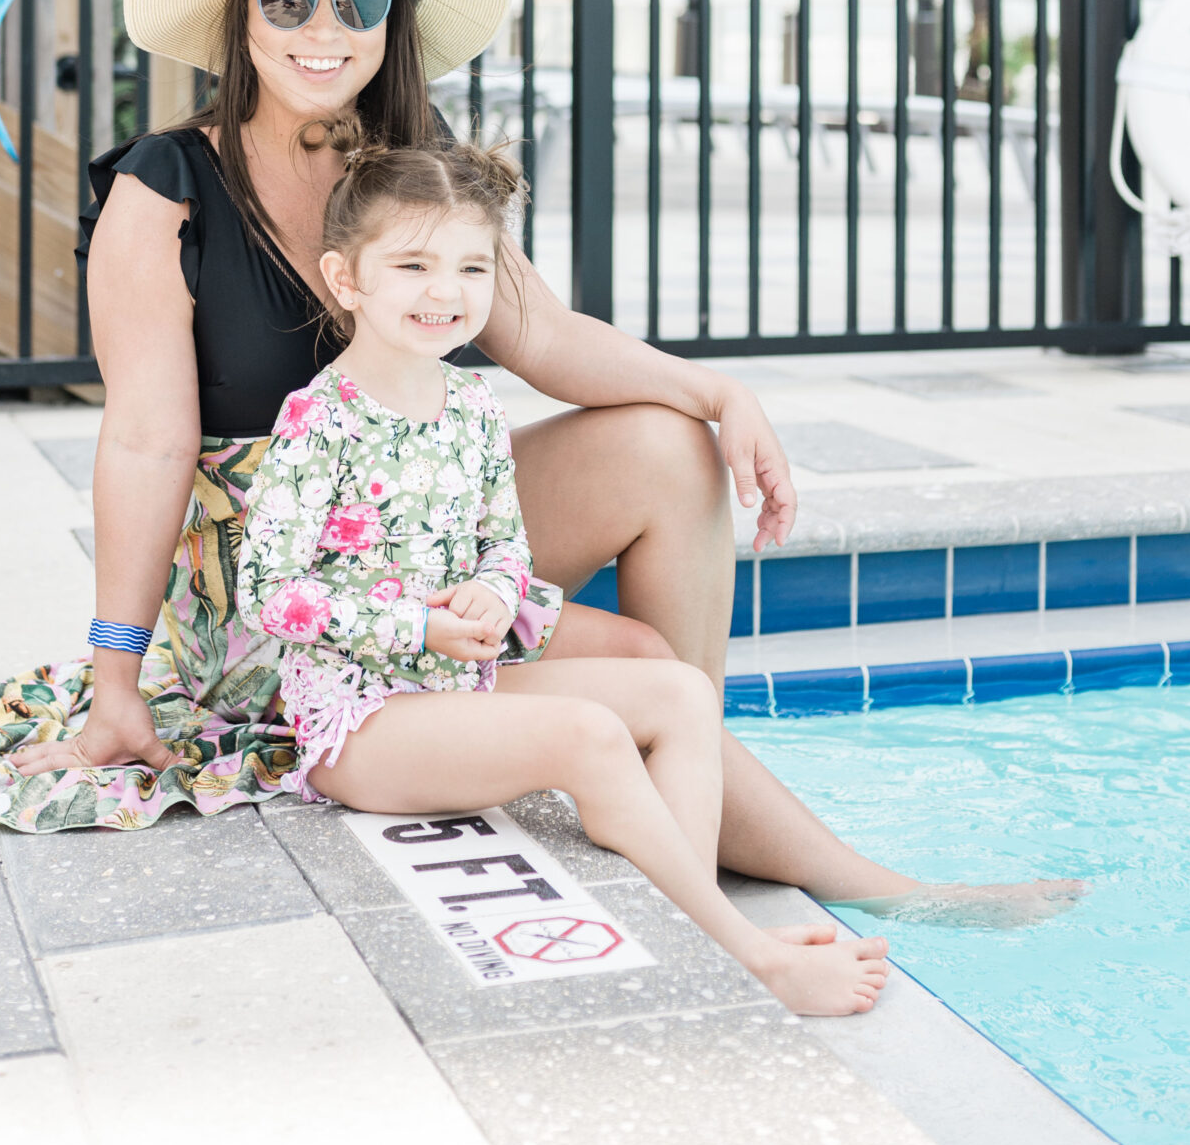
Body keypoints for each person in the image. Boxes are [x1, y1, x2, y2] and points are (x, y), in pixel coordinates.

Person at [0, 0, 1078, 927]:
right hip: (271, 574)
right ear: (241, 18)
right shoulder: (162, 186)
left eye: (354, 0)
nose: (319, 30)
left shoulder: (413, 180)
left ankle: (690, 812)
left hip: (420, 525)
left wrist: (717, 389)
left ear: (390, 18)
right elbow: (148, 435)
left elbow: (543, 334)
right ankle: (816, 866)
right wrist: (116, 679)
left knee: (664, 450)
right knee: (621, 662)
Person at [236, 125, 889, 1018]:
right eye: (415, 267)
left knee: (679, 693)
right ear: (348, 279)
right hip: (365, 720)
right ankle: (745, 954)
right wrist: (416, 624)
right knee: (587, 734)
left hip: (460, 680)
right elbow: (268, 593)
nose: (446, 293)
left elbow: (504, 542)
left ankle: (690, 901)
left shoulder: (468, 404)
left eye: (472, 269)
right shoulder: (320, 420)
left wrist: (493, 593)